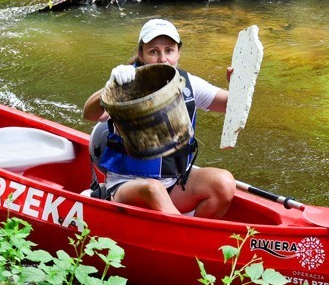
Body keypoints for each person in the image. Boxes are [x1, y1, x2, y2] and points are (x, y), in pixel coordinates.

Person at [83, 19, 236, 218]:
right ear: (141, 54)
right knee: (153, 189)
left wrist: (238, 84)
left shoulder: (188, 83)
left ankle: (190, 234)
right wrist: (111, 87)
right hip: (126, 186)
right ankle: (189, 239)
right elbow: (90, 114)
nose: (163, 59)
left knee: (224, 182)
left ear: (178, 52)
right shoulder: (126, 82)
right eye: (154, 51)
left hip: (174, 183)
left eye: (169, 51)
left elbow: (229, 105)